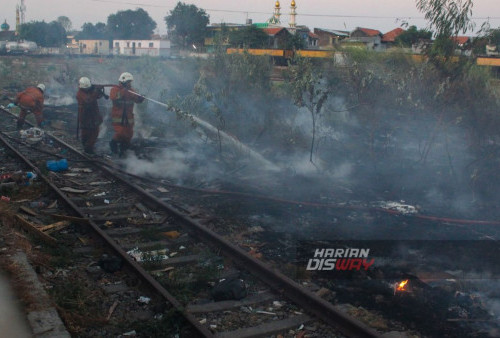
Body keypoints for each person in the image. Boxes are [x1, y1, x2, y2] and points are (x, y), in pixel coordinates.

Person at [109, 72, 144, 157]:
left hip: (128, 118)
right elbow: (114, 97)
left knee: (128, 135)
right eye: (128, 82)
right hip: (118, 117)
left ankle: (122, 152)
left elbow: (136, 100)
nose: (129, 84)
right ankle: (113, 144)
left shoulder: (131, 91)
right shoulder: (115, 89)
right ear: (123, 81)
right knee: (120, 133)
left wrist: (140, 99)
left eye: (130, 82)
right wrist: (123, 91)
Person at [76, 77, 108, 154]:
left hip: (94, 115)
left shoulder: (90, 91)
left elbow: (99, 96)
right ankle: (87, 147)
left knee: (94, 132)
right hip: (85, 115)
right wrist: (95, 91)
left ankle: (88, 146)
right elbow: (88, 100)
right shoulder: (80, 93)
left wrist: (98, 90)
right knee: (86, 132)